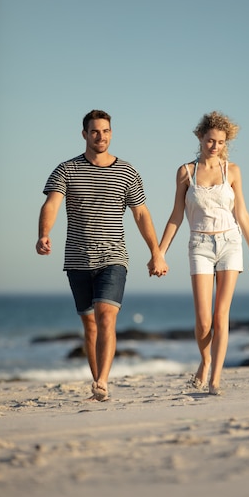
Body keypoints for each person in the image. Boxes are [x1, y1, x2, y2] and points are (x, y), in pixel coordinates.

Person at [36, 109, 168, 401]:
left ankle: (102, 383)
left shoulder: (126, 171)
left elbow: (141, 214)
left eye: (106, 131)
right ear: (84, 134)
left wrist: (156, 253)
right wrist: (44, 233)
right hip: (77, 258)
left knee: (106, 316)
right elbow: (52, 204)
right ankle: (97, 379)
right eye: (95, 131)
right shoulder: (66, 169)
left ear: (111, 133)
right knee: (90, 323)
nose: (101, 136)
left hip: (113, 258)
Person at [159, 111, 249, 395]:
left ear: (225, 143)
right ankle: (205, 362)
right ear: (200, 138)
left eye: (219, 142)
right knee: (204, 320)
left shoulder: (233, 171)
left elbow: (241, 212)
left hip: (230, 243)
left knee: (221, 317)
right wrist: (160, 252)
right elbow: (176, 216)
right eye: (210, 140)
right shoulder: (186, 172)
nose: (214, 146)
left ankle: (215, 379)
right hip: (200, 246)